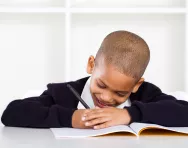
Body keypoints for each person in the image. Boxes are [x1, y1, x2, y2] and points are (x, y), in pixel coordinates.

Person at [1, 30, 188, 129]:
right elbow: (12, 113)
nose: (106, 98)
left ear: (136, 85)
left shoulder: (146, 94)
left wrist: (129, 114)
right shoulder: (64, 93)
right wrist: (71, 118)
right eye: (101, 84)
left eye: (121, 93)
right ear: (91, 65)